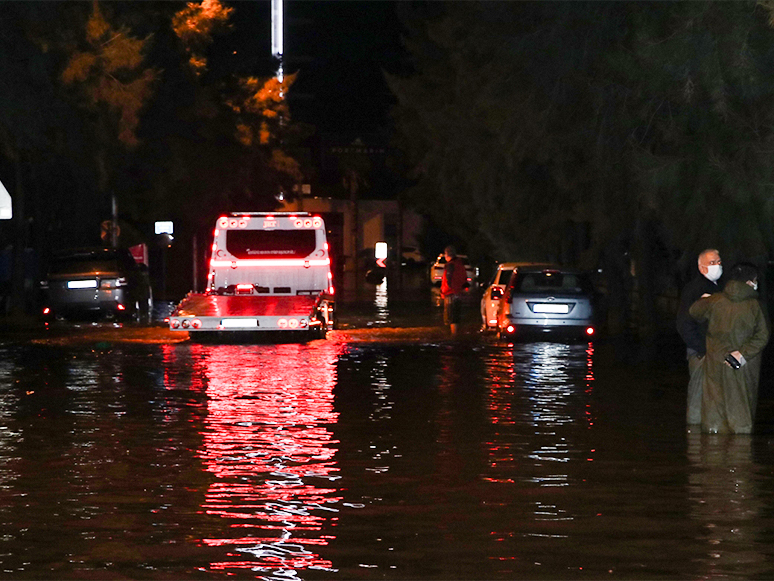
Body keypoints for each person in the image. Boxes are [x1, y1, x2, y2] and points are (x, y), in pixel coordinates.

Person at [689, 263, 769, 434]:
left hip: (715, 362)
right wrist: (742, 354)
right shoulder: (756, 306)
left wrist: (703, 300)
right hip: (742, 365)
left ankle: (711, 452)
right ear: (750, 282)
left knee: (714, 412)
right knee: (740, 414)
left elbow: (694, 311)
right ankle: (740, 455)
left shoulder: (715, 300)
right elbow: (763, 335)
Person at [676, 248, 724, 426]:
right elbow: (684, 323)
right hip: (701, 352)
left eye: (719, 262)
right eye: (712, 263)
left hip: (713, 351)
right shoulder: (695, 289)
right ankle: (695, 439)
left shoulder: (719, 287)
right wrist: (701, 348)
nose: (717, 266)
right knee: (698, 396)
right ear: (701, 267)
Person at [440, 245, 468, 335]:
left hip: (450, 294)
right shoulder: (460, 264)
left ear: (447, 255)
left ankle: (453, 336)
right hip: (458, 293)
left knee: (451, 317)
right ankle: (456, 335)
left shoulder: (450, 265)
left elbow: (448, 280)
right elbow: (464, 279)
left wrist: (443, 291)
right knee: (456, 317)